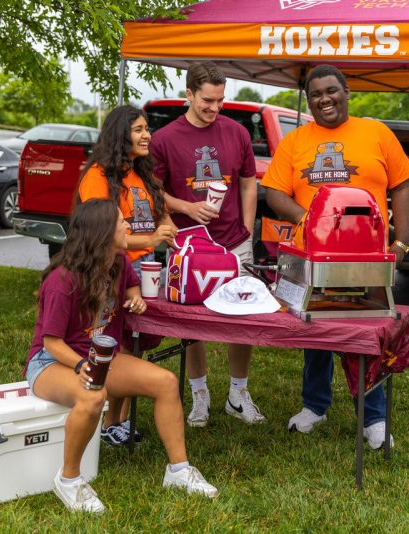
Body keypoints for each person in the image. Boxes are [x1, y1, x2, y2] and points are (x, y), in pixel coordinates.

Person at [23, 199, 217, 513]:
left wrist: (136, 298)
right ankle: (69, 479)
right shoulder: (62, 281)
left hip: (102, 358)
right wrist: (79, 364)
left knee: (166, 382)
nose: (128, 225)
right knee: (92, 397)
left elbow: (130, 287)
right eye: (120, 222)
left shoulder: (117, 262)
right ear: (102, 233)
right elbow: (51, 343)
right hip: (53, 361)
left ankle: (179, 471)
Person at [260, 65, 409, 449]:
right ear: (309, 100)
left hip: (368, 255)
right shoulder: (295, 140)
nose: (324, 99)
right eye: (316, 94)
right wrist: (310, 218)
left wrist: (401, 245)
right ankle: (315, 405)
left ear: (347, 92)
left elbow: (403, 185)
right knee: (316, 329)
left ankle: (374, 417)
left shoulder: (376, 132)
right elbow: (275, 194)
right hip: (315, 254)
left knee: (365, 333)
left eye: (331, 91)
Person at [150, 61, 265, 427]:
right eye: (206, 101)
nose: (214, 108)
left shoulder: (236, 133)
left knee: (242, 316)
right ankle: (200, 394)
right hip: (189, 244)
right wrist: (185, 207)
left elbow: (249, 182)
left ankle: (238, 393)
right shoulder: (165, 139)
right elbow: (152, 193)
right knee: (193, 322)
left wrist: (247, 227)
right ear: (188, 94)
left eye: (219, 101)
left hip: (234, 241)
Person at [77, 104, 177, 444]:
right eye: (138, 130)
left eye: (147, 128)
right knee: (112, 344)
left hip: (145, 270)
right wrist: (149, 238)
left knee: (134, 346)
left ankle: (117, 422)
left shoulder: (144, 175)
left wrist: (164, 229)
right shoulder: (98, 177)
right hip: (112, 271)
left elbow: (164, 216)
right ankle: (105, 421)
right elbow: (102, 232)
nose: (147, 134)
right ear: (120, 135)